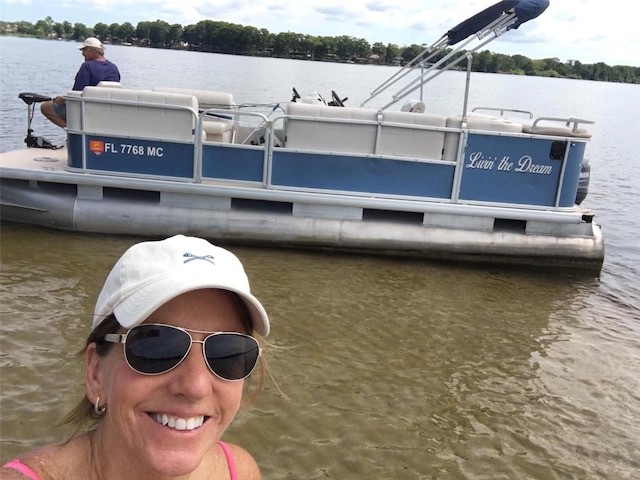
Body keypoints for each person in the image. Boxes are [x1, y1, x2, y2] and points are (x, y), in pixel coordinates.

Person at [2, 234, 270, 479]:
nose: (195, 387)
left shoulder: (240, 470)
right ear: (95, 373)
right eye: (157, 347)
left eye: (226, 352)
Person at [40, 37, 121, 128]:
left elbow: (76, 94)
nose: (82, 54)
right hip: (104, 110)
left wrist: (60, 100)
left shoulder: (87, 66)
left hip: (86, 109)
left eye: (84, 50)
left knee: (45, 107)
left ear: (91, 50)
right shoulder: (113, 67)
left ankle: (72, 130)